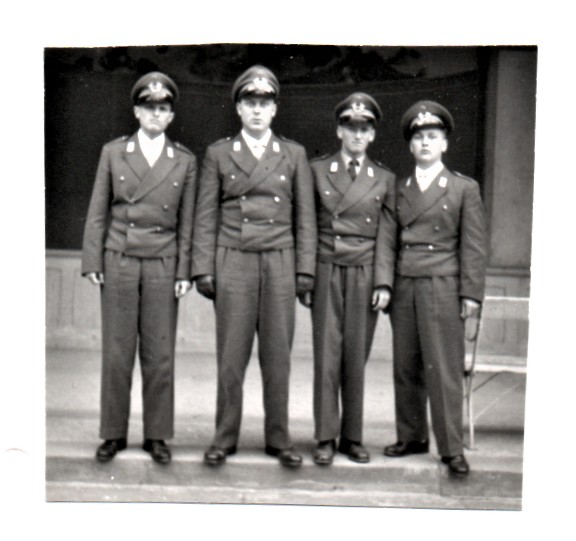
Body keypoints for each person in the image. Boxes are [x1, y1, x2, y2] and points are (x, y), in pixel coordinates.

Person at [192, 65, 316, 468]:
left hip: (279, 260)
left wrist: (305, 270)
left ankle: (279, 439)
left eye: (265, 103)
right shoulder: (219, 153)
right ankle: (224, 437)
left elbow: (305, 217)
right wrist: (203, 267)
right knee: (231, 357)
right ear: (239, 109)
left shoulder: (293, 154)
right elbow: (206, 214)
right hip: (234, 260)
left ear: (275, 109)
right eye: (250, 103)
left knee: (278, 358)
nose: (258, 110)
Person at [81, 72, 197, 464]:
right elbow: (98, 210)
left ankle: (157, 435)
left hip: (163, 262)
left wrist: (184, 271)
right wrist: (93, 259)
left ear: (171, 116)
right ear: (137, 111)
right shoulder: (114, 152)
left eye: (163, 108)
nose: (155, 114)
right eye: (149, 107)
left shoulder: (184, 160)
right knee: (117, 352)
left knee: (159, 354)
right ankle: (113, 433)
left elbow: (187, 221)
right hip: (120, 259)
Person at [384, 100, 488, 476]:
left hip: (443, 285)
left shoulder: (462, 188)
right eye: (419, 137)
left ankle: (451, 447)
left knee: (443, 369)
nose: (425, 143)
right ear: (410, 146)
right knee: (406, 366)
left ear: (444, 143)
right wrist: (387, 284)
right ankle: (412, 436)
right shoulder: (399, 189)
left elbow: (473, 246)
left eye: (433, 136)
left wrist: (471, 293)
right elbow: (389, 242)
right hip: (405, 285)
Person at [308, 93, 396, 466]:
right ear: (339, 131)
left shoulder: (385, 178)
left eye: (364, 128)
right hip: (328, 268)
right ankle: (325, 436)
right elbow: (309, 226)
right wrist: (307, 276)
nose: (357, 134)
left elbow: (386, 235)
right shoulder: (317, 170)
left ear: (372, 134)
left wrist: (383, 282)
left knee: (355, 357)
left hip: (364, 272)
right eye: (351, 127)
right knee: (327, 356)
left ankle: (352, 437)